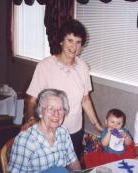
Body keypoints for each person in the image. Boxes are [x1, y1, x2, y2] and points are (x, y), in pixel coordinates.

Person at [25, 19, 103, 159]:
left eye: (78, 42)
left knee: (72, 166)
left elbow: (85, 99)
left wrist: (97, 124)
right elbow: (32, 99)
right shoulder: (45, 66)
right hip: (49, 131)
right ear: (61, 41)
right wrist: (31, 119)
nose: (74, 46)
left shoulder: (83, 67)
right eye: (70, 40)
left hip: (75, 131)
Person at [8, 89, 81, 173]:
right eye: (51, 109)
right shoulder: (25, 140)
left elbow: (73, 163)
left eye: (60, 109)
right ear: (40, 112)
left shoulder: (63, 132)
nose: (56, 114)